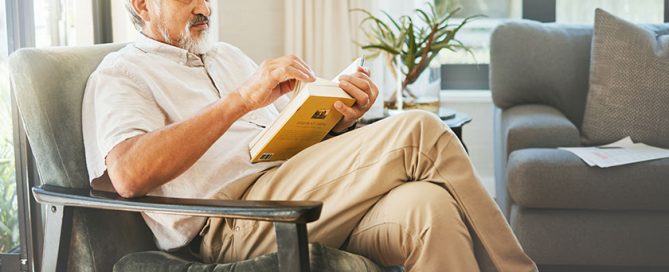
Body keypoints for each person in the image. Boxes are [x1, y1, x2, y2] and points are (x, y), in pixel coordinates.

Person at [82, 0, 537, 271]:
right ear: (141, 3)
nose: (204, 6)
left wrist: (341, 119)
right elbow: (127, 174)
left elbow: (288, 139)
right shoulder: (122, 74)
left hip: (296, 194)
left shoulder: (227, 56)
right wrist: (241, 99)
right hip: (229, 223)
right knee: (420, 130)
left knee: (429, 209)